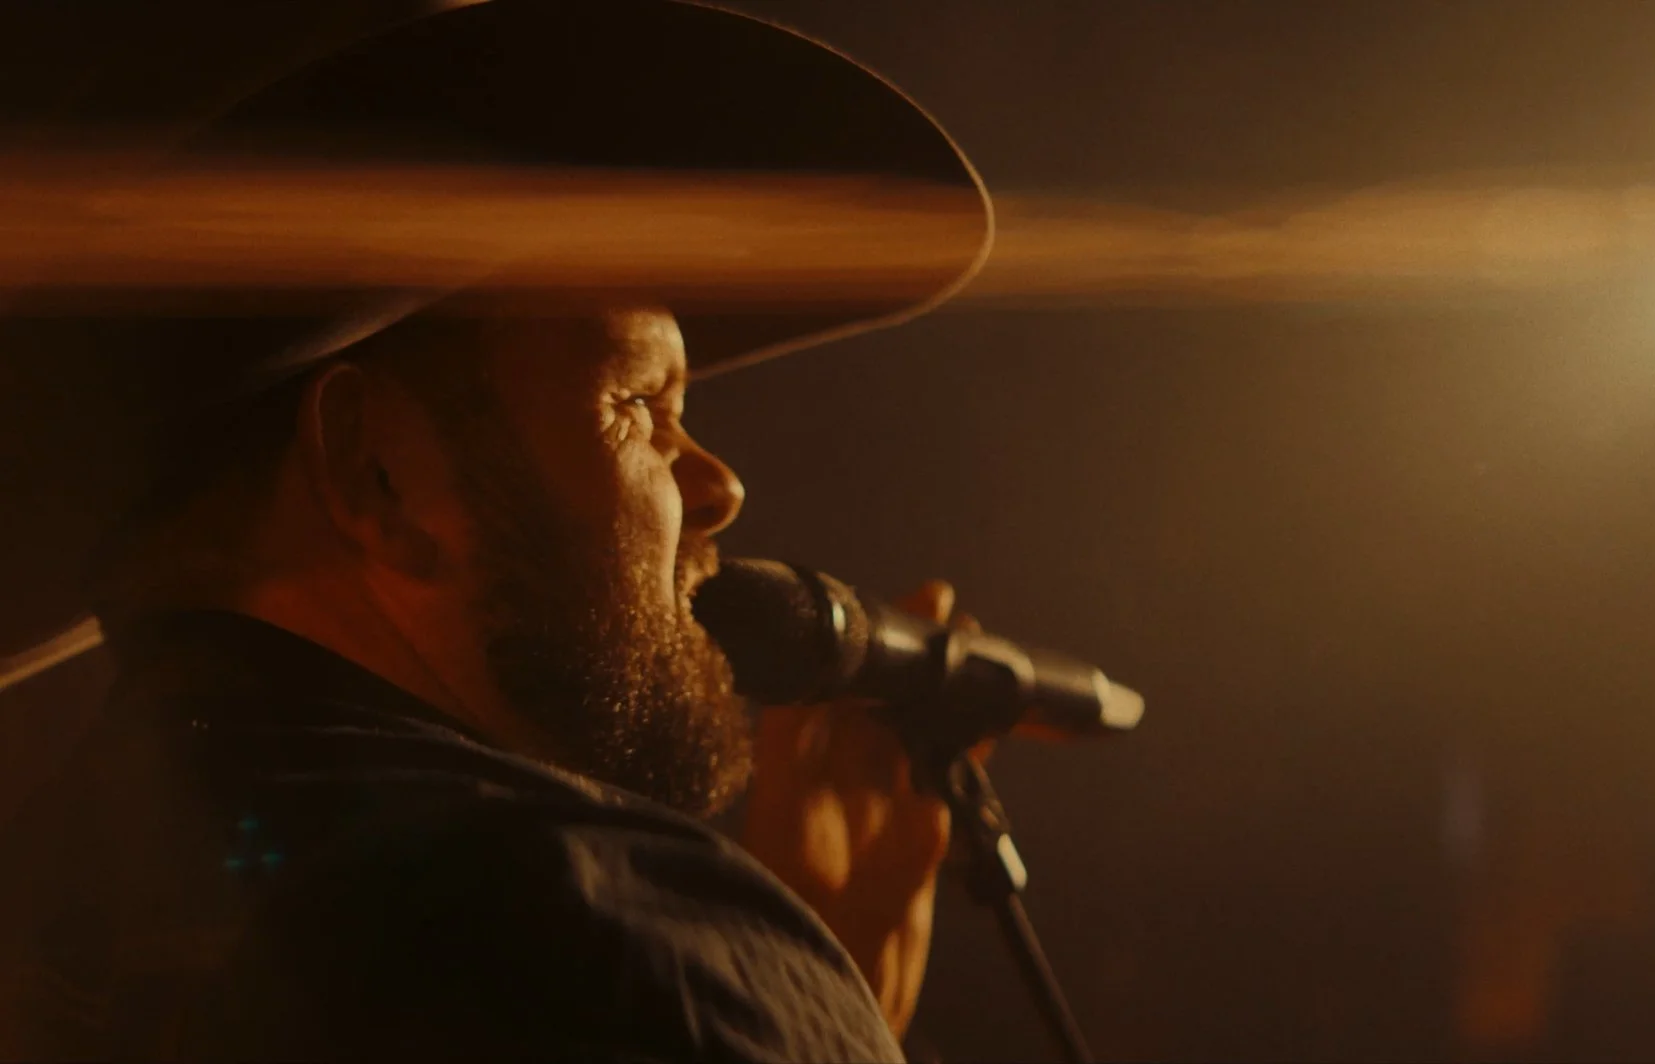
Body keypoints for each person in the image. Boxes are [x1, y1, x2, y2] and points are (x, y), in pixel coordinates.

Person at [0, 1, 997, 1060]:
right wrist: (767, 990)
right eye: (641, 405)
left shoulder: (46, 911)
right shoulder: (598, 938)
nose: (718, 486)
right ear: (373, 471)